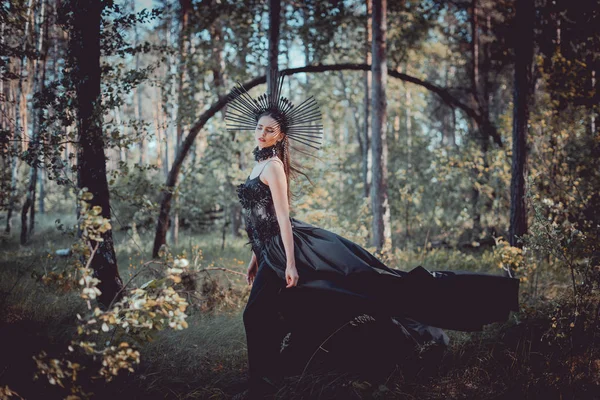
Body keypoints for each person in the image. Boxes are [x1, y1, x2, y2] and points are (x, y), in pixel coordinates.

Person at [230, 70, 520, 398]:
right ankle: (273, 375)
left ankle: (261, 386)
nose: (262, 133)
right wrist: (254, 257)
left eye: (270, 130)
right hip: (267, 250)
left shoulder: (273, 168)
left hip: (285, 249)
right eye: (259, 127)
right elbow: (259, 219)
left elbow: (282, 218)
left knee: (260, 313)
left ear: (281, 136)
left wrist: (291, 264)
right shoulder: (256, 166)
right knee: (275, 312)